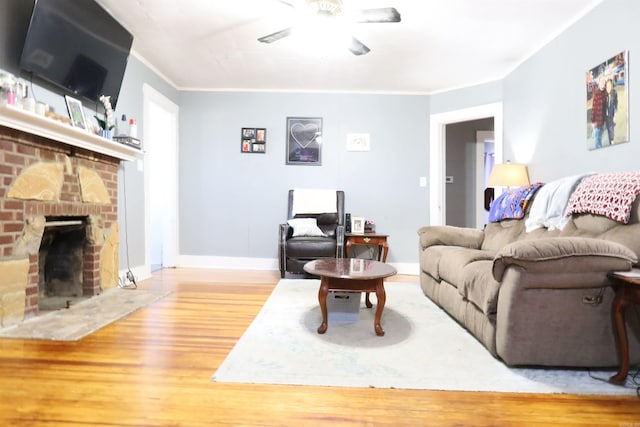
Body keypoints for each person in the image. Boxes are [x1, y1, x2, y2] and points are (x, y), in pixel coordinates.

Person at [590, 73, 607, 148]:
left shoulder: (606, 92)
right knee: (597, 141)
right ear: (599, 82)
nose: (603, 82)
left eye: (604, 81)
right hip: (597, 122)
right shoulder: (596, 94)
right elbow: (593, 108)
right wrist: (593, 121)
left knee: (600, 138)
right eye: (601, 81)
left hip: (603, 121)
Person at [605, 78, 618, 144]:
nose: (608, 88)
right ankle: (610, 140)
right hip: (606, 117)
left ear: (611, 86)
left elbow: (616, 104)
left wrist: (615, 115)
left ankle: (612, 141)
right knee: (608, 130)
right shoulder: (605, 94)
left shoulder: (614, 93)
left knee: (611, 129)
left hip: (612, 115)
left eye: (609, 86)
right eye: (607, 86)